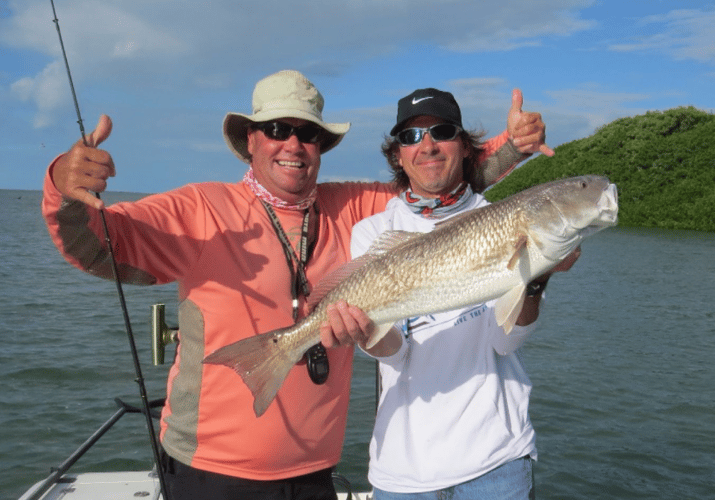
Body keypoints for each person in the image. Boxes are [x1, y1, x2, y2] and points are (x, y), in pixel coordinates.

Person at [41, 70, 550, 500]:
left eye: (308, 133)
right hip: (209, 472)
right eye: (278, 129)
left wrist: (514, 147)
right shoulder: (198, 208)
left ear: (322, 147)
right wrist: (64, 189)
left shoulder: (353, 208)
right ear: (250, 141)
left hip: (312, 474)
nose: (293, 145)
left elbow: (434, 180)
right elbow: (98, 248)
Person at [346, 88, 579, 499]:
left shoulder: (502, 218)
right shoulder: (371, 234)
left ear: (467, 148)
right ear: (397, 155)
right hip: (402, 476)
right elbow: (396, 354)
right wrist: (365, 333)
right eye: (410, 137)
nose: (427, 145)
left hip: (497, 464)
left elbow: (505, 342)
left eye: (443, 131)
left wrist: (537, 278)